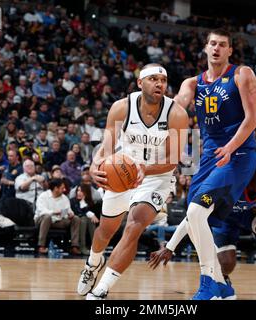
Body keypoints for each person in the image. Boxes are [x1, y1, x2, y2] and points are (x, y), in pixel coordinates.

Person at [77, 63, 188, 299]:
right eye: (153, 79)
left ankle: (101, 290)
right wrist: (95, 165)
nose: (159, 84)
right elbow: (106, 148)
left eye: (163, 80)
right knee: (105, 231)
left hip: (156, 176)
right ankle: (93, 264)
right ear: (140, 83)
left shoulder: (177, 114)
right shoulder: (121, 108)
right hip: (123, 172)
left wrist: (145, 169)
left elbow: (173, 160)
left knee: (134, 225)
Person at [149, 157, 256, 300]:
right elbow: (191, 217)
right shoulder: (230, 181)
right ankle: (223, 283)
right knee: (227, 263)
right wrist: (170, 247)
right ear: (251, 176)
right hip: (226, 218)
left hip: (253, 213)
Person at [172, 28, 256, 299]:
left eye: (222, 44)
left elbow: (252, 119)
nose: (216, 48)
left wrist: (230, 147)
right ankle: (221, 283)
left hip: (239, 154)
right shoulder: (192, 83)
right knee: (193, 217)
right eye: (212, 43)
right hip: (208, 156)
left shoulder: (241, 74)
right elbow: (177, 107)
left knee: (198, 213)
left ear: (230, 50)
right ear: (206, 48)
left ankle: (207, 284)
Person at [34, 178, 81, 255]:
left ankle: (74, 246)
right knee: (47, 217)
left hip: (59, 220)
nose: (64, 190)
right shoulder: (43, 196)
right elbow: (41, 211)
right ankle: (41, 246)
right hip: (42, 220)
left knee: (75, 218)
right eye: (62, 188)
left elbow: (68, 210)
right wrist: (54, 212)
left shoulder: (64, 198)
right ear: (56, 188)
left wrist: (71, 214)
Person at [70, 184, 99, 255]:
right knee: (84, 219)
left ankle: (95, 247)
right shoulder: (73, 201)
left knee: (90, 220)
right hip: (74, 221)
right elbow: (78, 212)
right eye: (78, 190)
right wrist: (90, 214)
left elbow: (95, 218)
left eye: (81, 191)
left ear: (86, 192)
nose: (79, 193)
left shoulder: (90, 202)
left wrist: (90, 214)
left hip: (85, 221)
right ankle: (82, 246)